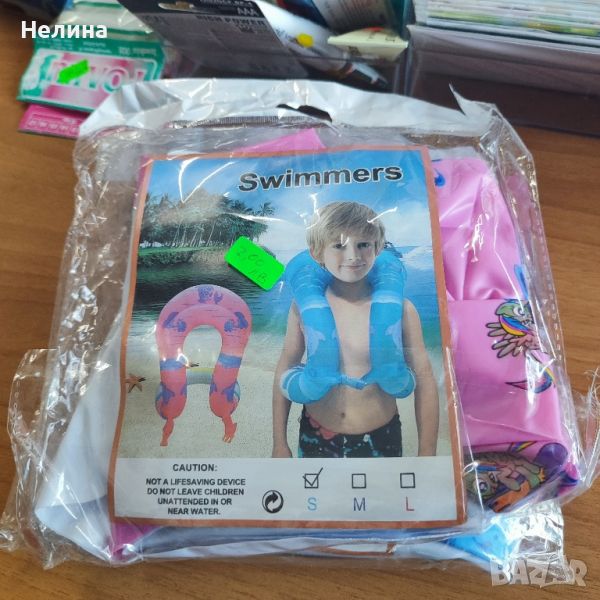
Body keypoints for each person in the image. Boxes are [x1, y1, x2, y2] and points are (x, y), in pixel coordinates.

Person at [272, 201, 439, 459]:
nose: (353, 256)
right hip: (316, 433)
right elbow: (285, 367)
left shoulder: (403, 310)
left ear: (378, 248)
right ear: (317, 253)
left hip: (380, 436)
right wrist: (279, 443)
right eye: (339, 246)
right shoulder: (301, 309)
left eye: (363, 244)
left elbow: (425, 379)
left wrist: (427, 451)